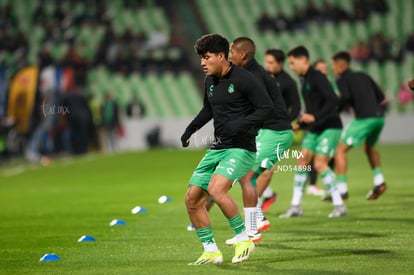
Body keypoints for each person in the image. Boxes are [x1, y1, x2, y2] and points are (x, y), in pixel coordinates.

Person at [181, 34, 275, 265]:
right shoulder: (210, 81)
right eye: (201, 58)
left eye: (206, 57)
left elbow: (267, 109)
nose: (203, 63)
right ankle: (211, 251)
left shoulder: (245, 79)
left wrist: (239, 125)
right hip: (218, 147)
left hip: (242, 147)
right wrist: (190, 130)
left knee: (216, 189)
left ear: (221, 56)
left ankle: (244, 238)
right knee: (192, 199)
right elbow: (208, 110)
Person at [225, 37, 293, 243]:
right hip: (268, 131)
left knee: (247, 175)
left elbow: (264, 109)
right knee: (246, 175)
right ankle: (256, 222)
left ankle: (252, 229)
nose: (229, 56)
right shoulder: (250, 73)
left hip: (277, 132)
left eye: (232, 52)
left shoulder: (253, 76)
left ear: (243, 55)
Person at [280, 46, 347, 218]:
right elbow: (312, 108)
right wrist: (300, 125)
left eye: (293, 63)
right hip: (315, 127)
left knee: (319, 164)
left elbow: (333, 100)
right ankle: (295, 206)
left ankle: (339, 205)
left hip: (330, 126)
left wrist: (315, 116)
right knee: (302, 161)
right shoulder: (304, 78)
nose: (291, 67)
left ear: (304, 60)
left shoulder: (317, 76)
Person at [331, 51, 388, 200]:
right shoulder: (364, 75)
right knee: (369, 147)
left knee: (339, 149)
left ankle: (341, 190)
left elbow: (345, 97)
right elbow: (381, 96)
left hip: (364, 119)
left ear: (341, 65)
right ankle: (379, 181)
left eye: (334, 65)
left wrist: (336, 110)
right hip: (379, 118)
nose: (333, 69)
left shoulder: (342, 79)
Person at [259, 48, 301, 210]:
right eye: (266, 62)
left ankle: (255, 209)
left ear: (280, 64)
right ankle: (266, 195)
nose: (267, 65)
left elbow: (296, 107)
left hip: (276, 130)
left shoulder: (288, 82)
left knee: (260, 166)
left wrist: (286, 122)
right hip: (261, 128)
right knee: (253, 166)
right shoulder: (261, 77)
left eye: (271, 63)